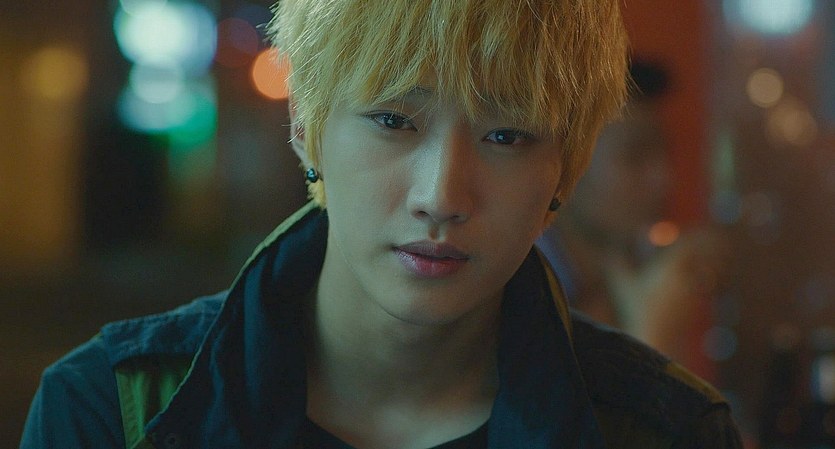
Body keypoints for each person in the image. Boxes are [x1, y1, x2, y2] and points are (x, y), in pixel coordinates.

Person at [21, 1, 742, 448]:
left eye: (506, 135)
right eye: (394, 120)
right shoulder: (110, 412)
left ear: (566, 170)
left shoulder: (669, 429)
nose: (440, 195)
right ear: (306, 127)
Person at [536, 60, 730, 364]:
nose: (664, 179)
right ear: (564, 168)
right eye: (634, 155)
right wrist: (654, 335)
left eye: (664, 153)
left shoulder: (628, 273)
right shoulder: (517, 295)